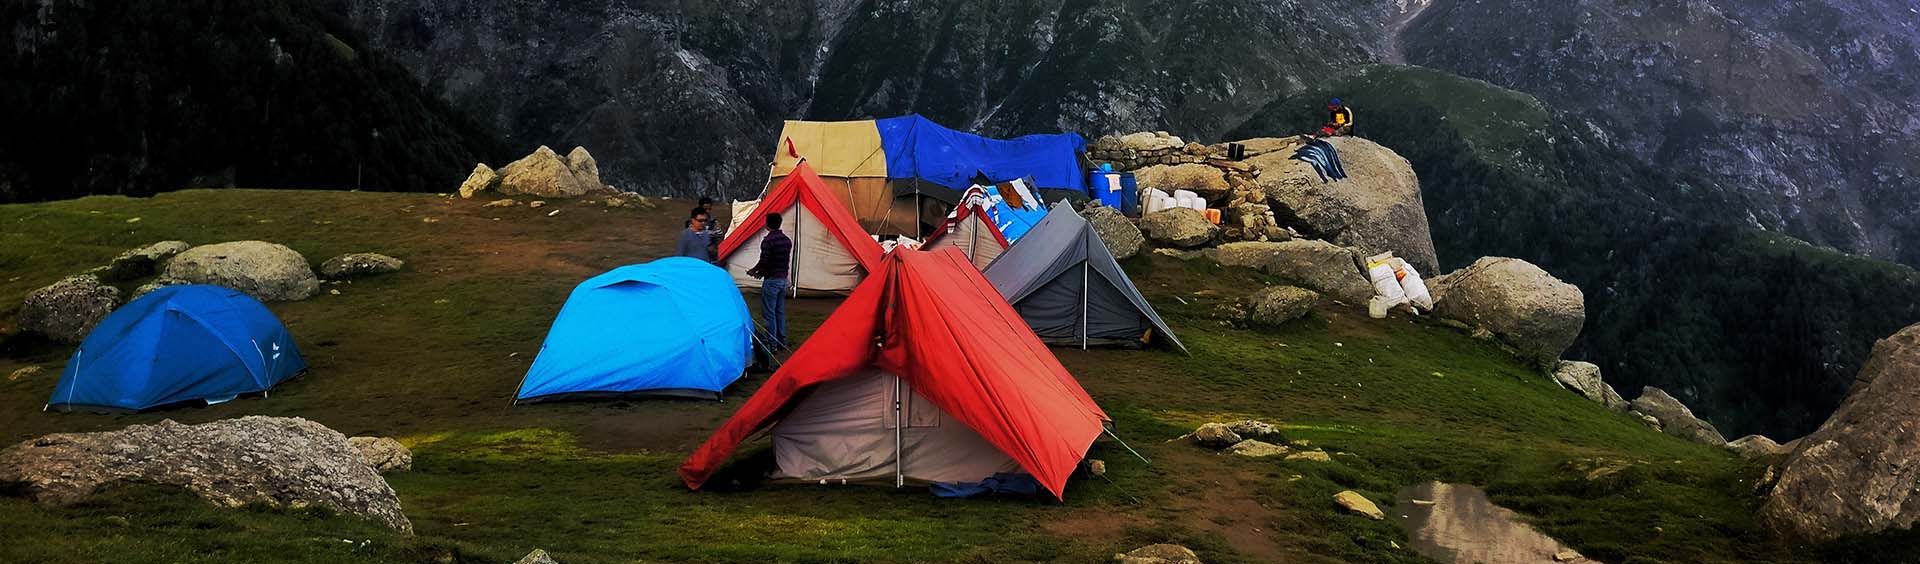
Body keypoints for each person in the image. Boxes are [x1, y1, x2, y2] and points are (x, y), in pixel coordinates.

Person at [745, 212, 792, 348]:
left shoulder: (768, 241)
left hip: (771, 281)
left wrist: (754, 271)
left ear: (767, 224)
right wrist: (761, 272)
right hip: (783, 280)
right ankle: (782, 341)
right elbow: (777, 261)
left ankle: (772, 344)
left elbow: (765, 261)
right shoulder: (786, 240)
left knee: (769, 313)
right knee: (780, 312)